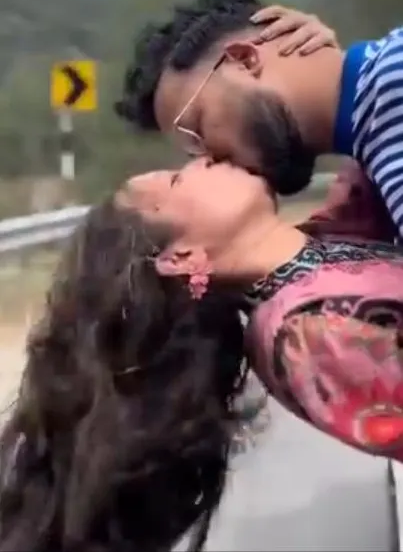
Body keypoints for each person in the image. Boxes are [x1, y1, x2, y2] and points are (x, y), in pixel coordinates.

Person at [2, 156, 403, 552]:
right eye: (178, 180)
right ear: (182, 257)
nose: (203, 160)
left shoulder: (339, 225)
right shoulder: (301, 337)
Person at [115, 0, 403, 239]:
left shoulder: (392, 84)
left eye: (197, 128)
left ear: (244, 59)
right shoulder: (373, 145)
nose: (212, 162)